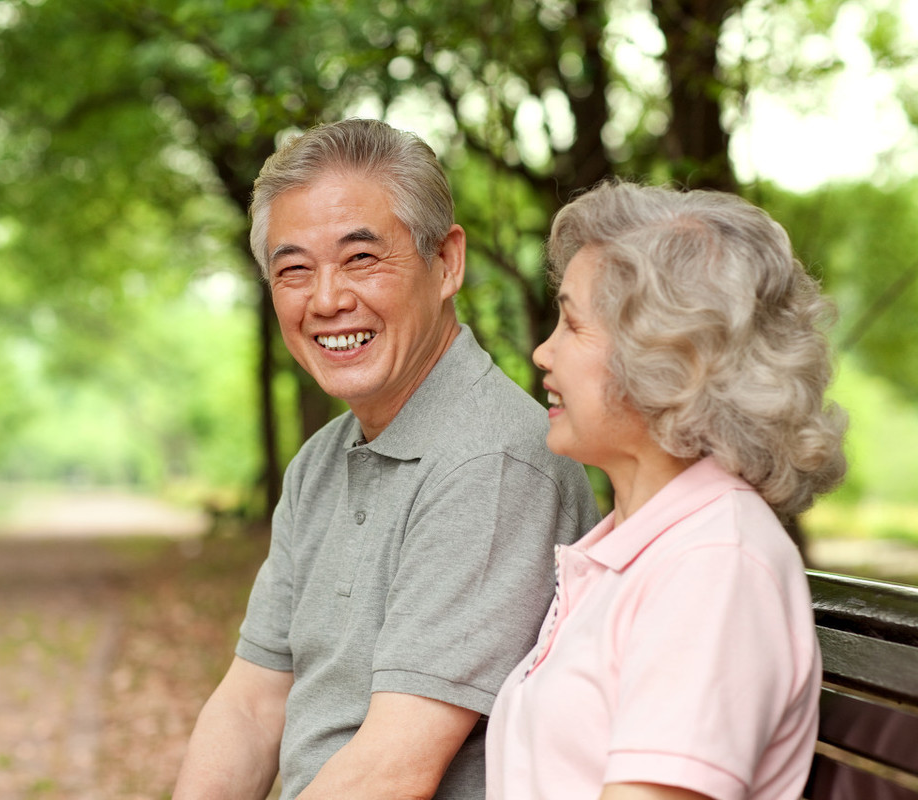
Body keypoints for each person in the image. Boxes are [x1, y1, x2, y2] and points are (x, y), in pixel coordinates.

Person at [173, 118, 599, 800]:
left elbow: (393, 771)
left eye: (362, 258)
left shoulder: (490, 464)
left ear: (446, 263)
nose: (328, 299)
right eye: (293, 270)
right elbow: (250, 708)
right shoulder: (321, 462)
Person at [485, 180, 847, 800]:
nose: (544, 352)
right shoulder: (640, 548)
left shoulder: (715, 567)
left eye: (572, 324)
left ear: (671, 361)